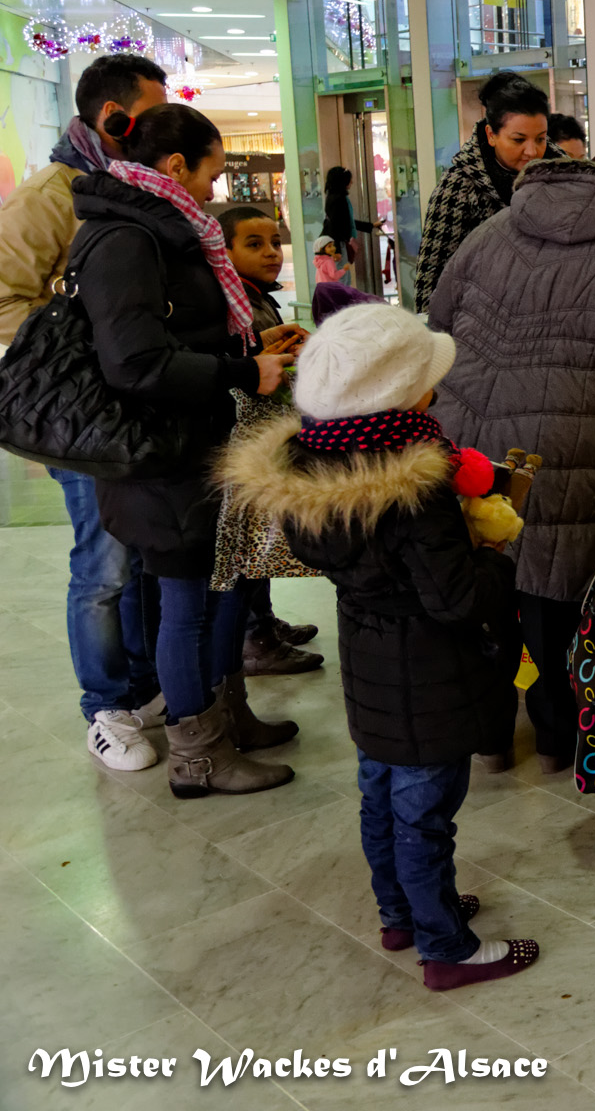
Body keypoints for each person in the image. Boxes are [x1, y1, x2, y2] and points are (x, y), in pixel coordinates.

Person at [220, 304, 538, 989]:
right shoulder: (413, 488)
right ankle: (445, 947)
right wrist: (493, 554)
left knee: (380, 796)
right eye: (427, 382)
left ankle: (402, 913)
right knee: (424, 817)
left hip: (369, 664)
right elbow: (452, 597)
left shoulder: (318, 474)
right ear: (403, 397)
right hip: (430, 673)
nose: (435, 391)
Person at [429, 137, 595, 774]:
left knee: (485, 590)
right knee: (553, 600)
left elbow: (438, 315)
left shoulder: (496, 225)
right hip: (563, 449)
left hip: (468, 437)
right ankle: (555, 740)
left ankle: (487, 737)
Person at [71, 102, 299, 796]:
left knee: (212, 591)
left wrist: (248, 348)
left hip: (188, 446)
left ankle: (225, 721)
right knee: (186, 604)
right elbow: (135, 361)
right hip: (156, 457)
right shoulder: (126, 239)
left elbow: (176, 338)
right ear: (175, 167)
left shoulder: (162, 230)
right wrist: (240, 369)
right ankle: (197, 755)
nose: (214, 189)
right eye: (212, 172)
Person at [0, 53, 168, 770]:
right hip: (84, 414)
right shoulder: (50, 195)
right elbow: (5, 296)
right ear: (114, 118)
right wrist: (79, 348)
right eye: (150, 117)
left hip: (139, 404)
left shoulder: (129, 187)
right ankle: (104, 705)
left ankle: (139, 683)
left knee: (140, 558)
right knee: (100, 567)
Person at [208, 206, 324, 682]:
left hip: (266, 438)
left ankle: (263, 625)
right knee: (249, 549)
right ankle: (256, 640)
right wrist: (262, 357)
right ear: (224, 250)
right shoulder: (227, 301)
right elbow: (237, 368)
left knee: (263, 543)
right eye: (253, 244)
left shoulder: (256, 297)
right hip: (245, 443)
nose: (271, 253)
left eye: (275, 242)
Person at [414, 71, 555, 312]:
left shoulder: (561, 174)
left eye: (540, 139)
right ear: (491, 135)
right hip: (482, 326)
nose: (531, 151)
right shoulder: (459, 186)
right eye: (518, 140)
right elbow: (430, 290)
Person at [322, 165, 373, 272]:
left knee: (342, 277)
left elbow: (345, 222)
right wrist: (337, 251)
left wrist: (371, 226)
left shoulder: (334, 197)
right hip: (338, 245)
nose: (352, 182)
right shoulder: (338, 200)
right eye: (349, 179)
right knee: (341, 278)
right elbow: (337, 226)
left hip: (337, 244)